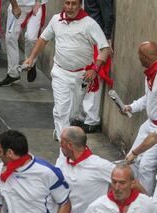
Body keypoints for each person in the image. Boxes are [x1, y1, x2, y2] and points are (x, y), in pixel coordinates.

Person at [24, 0, 111, 141]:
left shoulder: (90, 23)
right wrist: (31, 58)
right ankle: (63, 143)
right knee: (61, 110)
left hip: (82, 76)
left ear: (80, 4)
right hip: (60, 73)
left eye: (74, 4)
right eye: (67, 3)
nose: (70, 7)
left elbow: (105, 49)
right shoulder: (55, 20)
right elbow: (43, 39)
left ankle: (61, 132)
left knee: (72, 114)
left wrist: (95, 69)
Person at [122, 41, 157, 196]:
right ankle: (135, 196)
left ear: (145, 57)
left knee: (148, 166)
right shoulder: (150, 72)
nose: (138, 58)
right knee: (132, 159)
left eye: (139, 55)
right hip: (149, 124)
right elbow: (149, 98)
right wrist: (131, 107)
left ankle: (147, 203)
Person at [81, 0, 115, 133]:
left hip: (97, 37)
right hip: (86, 35)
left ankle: (91, 119)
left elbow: (108, 14)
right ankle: (83, 116)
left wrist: (106, 38)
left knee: (94, 78)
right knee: (85, 76)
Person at [0, 0, 48, 86]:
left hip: (37, 5)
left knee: (31, 38)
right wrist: (14, 6)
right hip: (17, 4)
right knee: (10, 38)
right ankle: (13, 74)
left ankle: (30, 62)